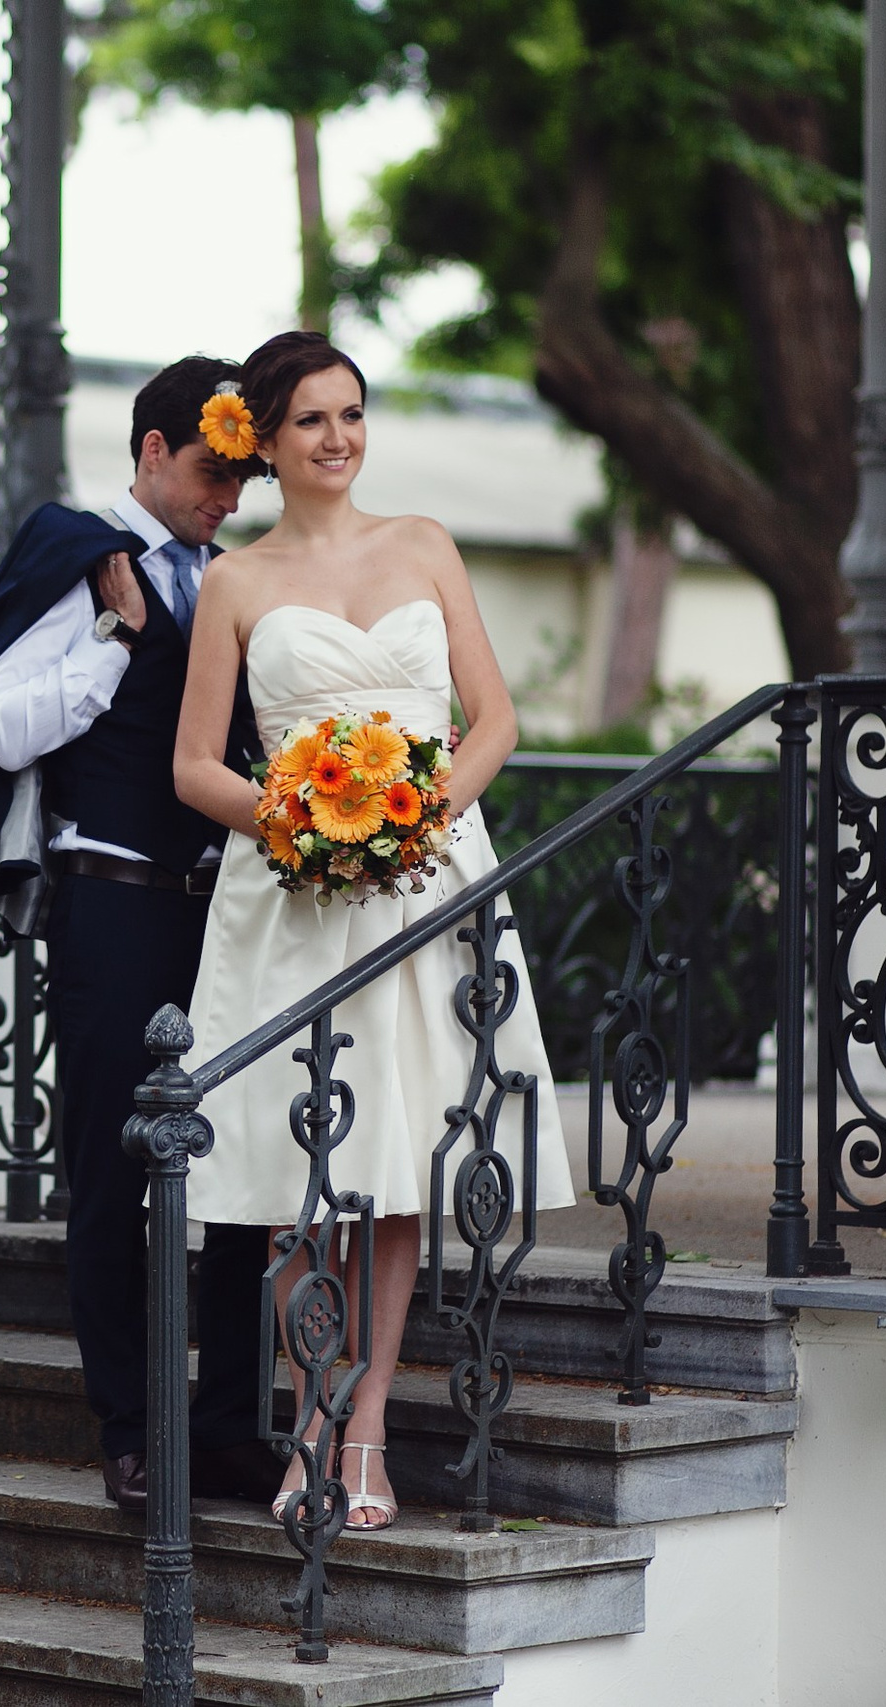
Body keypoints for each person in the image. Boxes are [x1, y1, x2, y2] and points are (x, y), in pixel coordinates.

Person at [173, 331, 576, 1529]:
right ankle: (305, 1423)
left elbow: (492, 720)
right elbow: (193, 767)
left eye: (351, 414)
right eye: (310, 419)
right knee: (297, 1167)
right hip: (291, 900)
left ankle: (366, 1434)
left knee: (398, 1157)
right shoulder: (235, 583)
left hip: (425, 882)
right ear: (262, 439)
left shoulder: (425, 545)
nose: (338, 438)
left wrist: (414, 825)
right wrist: (301, 825)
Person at [0, 357, 284, 1516]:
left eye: (241, 481)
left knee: (240, 1168)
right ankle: (130, 1431)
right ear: (152, 450)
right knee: (109, 1171)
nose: (224, 498)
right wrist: (116, 638)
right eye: (210, 472)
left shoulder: (233, 579)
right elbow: (0, 726)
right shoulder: (73, 553)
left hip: (228, 907)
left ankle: (227, 1427)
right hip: (113, 902)